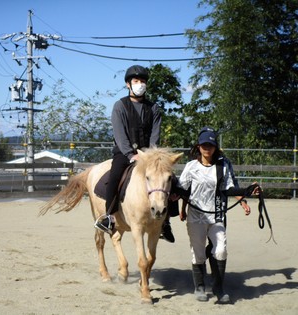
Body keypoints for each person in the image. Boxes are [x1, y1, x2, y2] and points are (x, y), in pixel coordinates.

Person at [172, 126, 257, 304]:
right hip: (196, 216)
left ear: (215, 146)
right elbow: (182, 189)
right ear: (198, 146)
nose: (207, 147)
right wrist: (178, 203)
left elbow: (231, 187)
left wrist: (245, 195)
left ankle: (218, 287)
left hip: (217, 214)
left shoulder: (223, 165)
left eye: (210, 144)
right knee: (198, 252)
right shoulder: (191, 167)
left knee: (221, 250)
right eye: (204, 144)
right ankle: (200, 286)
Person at [94, 65, 175, 242]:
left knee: (170, 179)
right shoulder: (120, 106)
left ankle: (166, 222)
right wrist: (131, 155)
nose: (140, 84)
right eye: (136, 81)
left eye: (143, 81)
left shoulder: (153, 108)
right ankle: (109, 217)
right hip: (124, 153)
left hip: (148, 154)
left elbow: (155, 134)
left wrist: (149, 155)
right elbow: (119, 134)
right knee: (114, 177)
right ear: (128, 84)